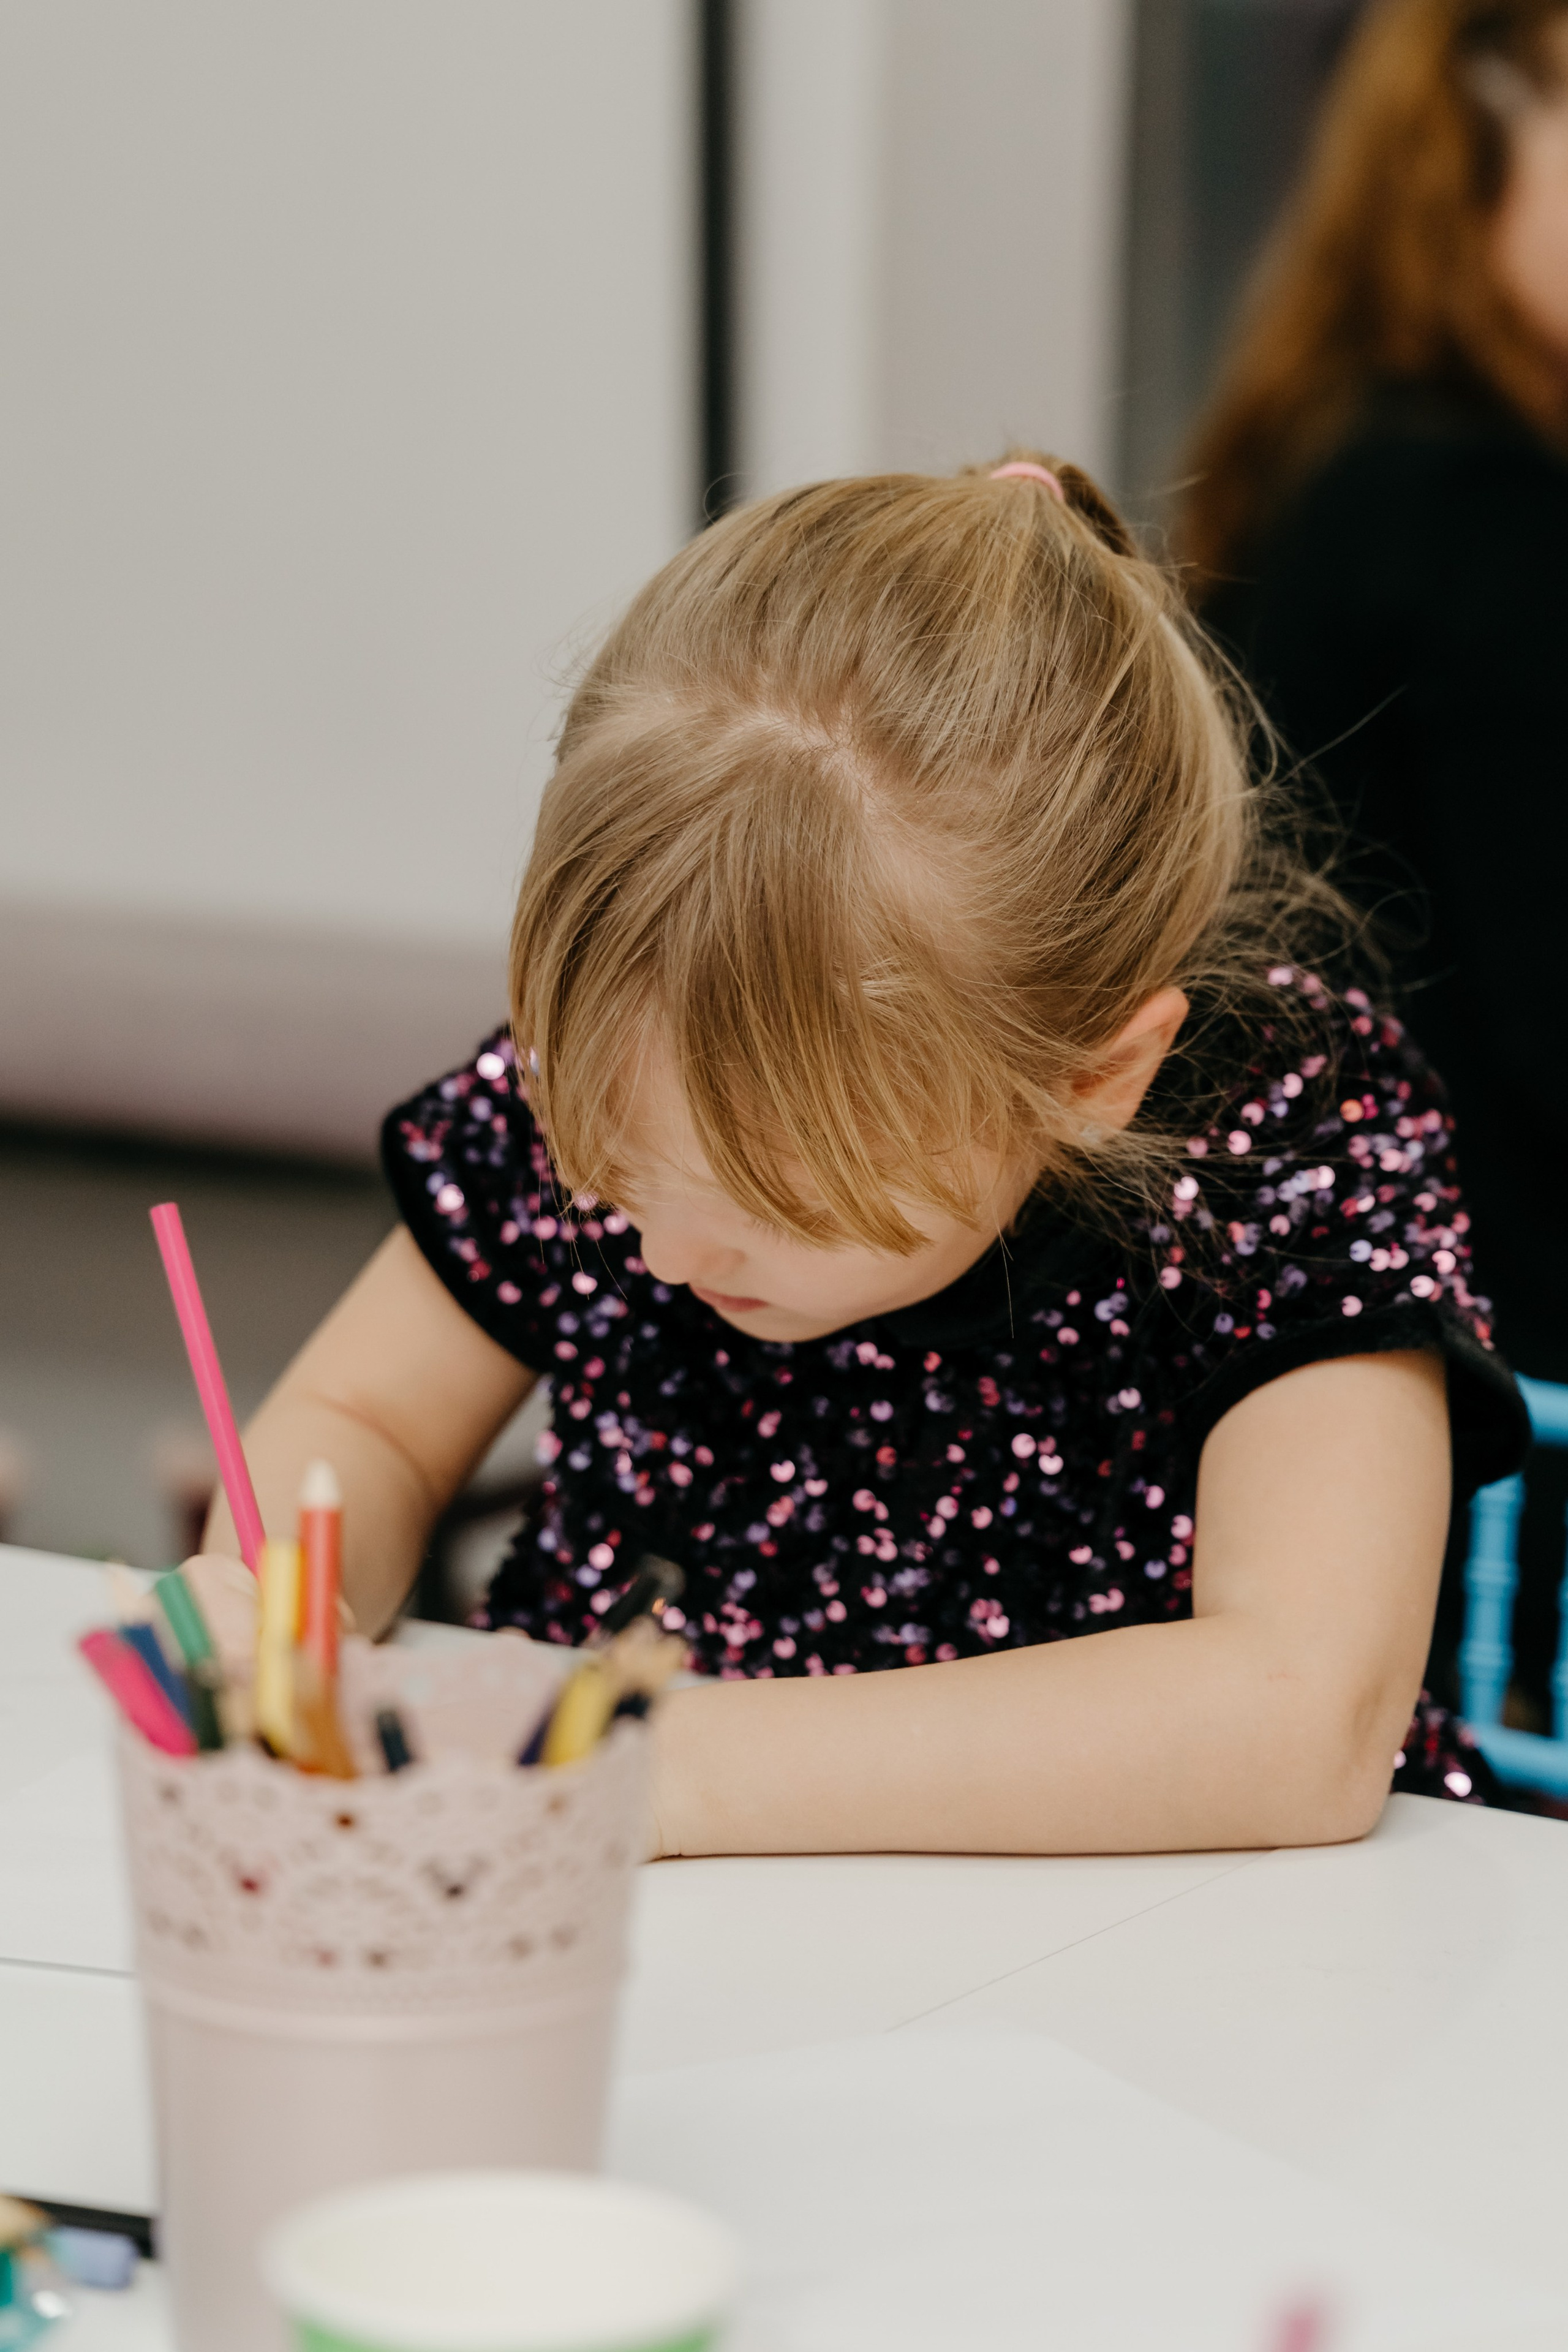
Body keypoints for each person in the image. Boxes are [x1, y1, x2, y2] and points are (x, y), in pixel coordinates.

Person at [203, 454, 1525, 1855]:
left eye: (777, 1193)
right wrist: (274, 1596)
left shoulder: (1283, 1130)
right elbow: (372, 1425)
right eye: (613, 1158)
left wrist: (663, 1764)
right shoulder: (647, 1038)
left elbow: (1295, 1717)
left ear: (1091, 1078)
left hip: (1152, 1989)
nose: (658, 1249)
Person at [1182, 0, 1568, 1711]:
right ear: (1476, 143)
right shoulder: (1476, 516)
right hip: (1497, 1361)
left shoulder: (1324, 455)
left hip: (1349, 1324)